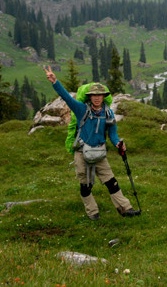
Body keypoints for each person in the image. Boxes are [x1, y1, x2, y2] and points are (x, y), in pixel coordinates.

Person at [44, 64, 140, 220]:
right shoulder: (81, 109)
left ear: (104, 96)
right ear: (89, 96)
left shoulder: (108, 113)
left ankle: (126, 209)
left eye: (100, 95)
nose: (96, 97)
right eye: (94, 95)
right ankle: (92, 212)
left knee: (112, 182)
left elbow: (113, 134)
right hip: (82, 152)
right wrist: (55, 82)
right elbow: (67, 98)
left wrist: (118, 144)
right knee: (86, 186)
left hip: (100, 153)